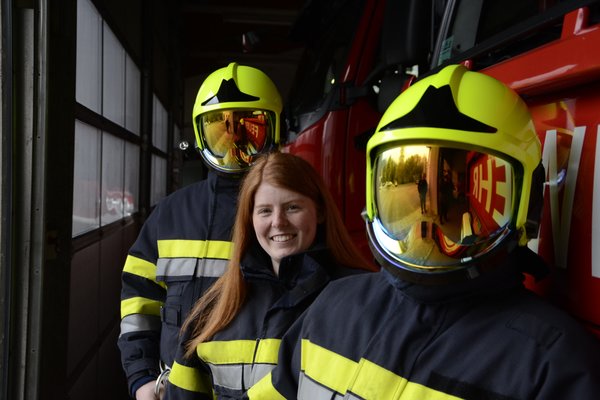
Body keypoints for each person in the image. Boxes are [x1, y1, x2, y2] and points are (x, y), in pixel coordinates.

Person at [246, 64, 600, 399]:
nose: (427, 222)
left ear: (527, 201)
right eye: (415, 184)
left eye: (457, 192)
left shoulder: (551, 366)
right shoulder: (332, 307)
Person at [118, 62, 283, 400]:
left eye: (249, 130)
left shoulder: (287, 218)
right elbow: (138, 298)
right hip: (173, 390)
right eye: (220, 132)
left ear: (275, 131)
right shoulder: (171, 214)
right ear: (200, 135)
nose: (234, 144)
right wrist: (142, 377)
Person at [163, 152, 375, 399]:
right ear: (249, 220)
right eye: (265, 211)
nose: (278, 222)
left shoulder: (362, 300)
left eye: (292, 207)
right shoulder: (217, 306)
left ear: (319, 212)